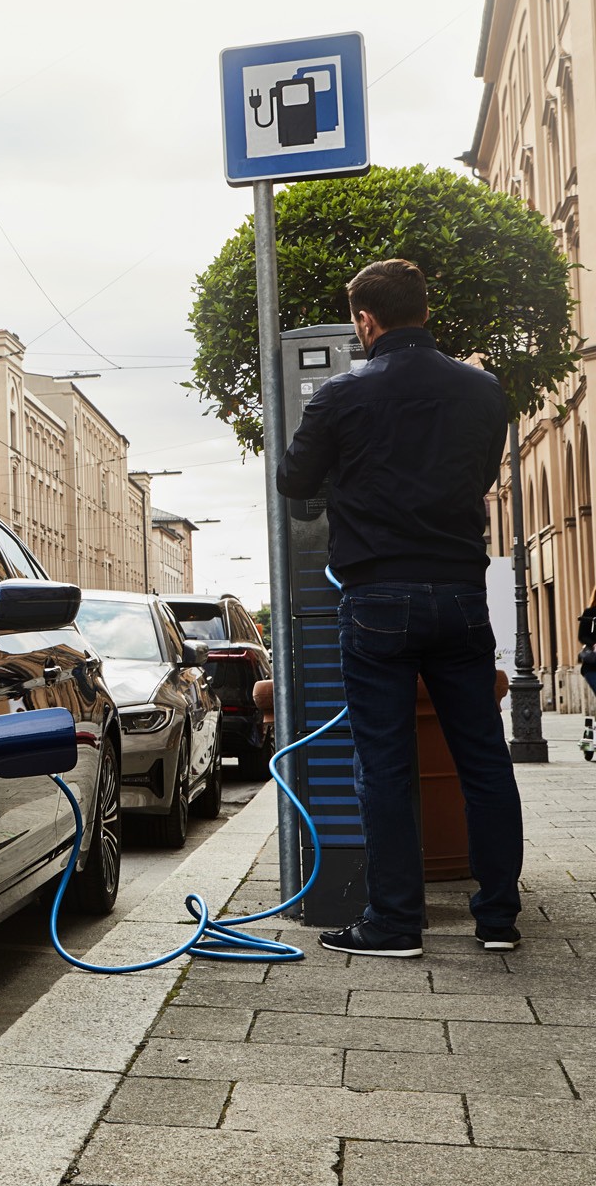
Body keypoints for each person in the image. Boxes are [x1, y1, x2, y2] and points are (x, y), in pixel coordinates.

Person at [277, 258, 523, 957]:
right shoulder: (483, 391)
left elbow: (294, 478)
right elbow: (478, 475)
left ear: (365, 321)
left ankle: (393, 923)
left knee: (383, 763)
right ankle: (498, 919)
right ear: (425, 309)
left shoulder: (339, 396)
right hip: (462, 595)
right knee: (483, 758)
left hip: (377, 598)